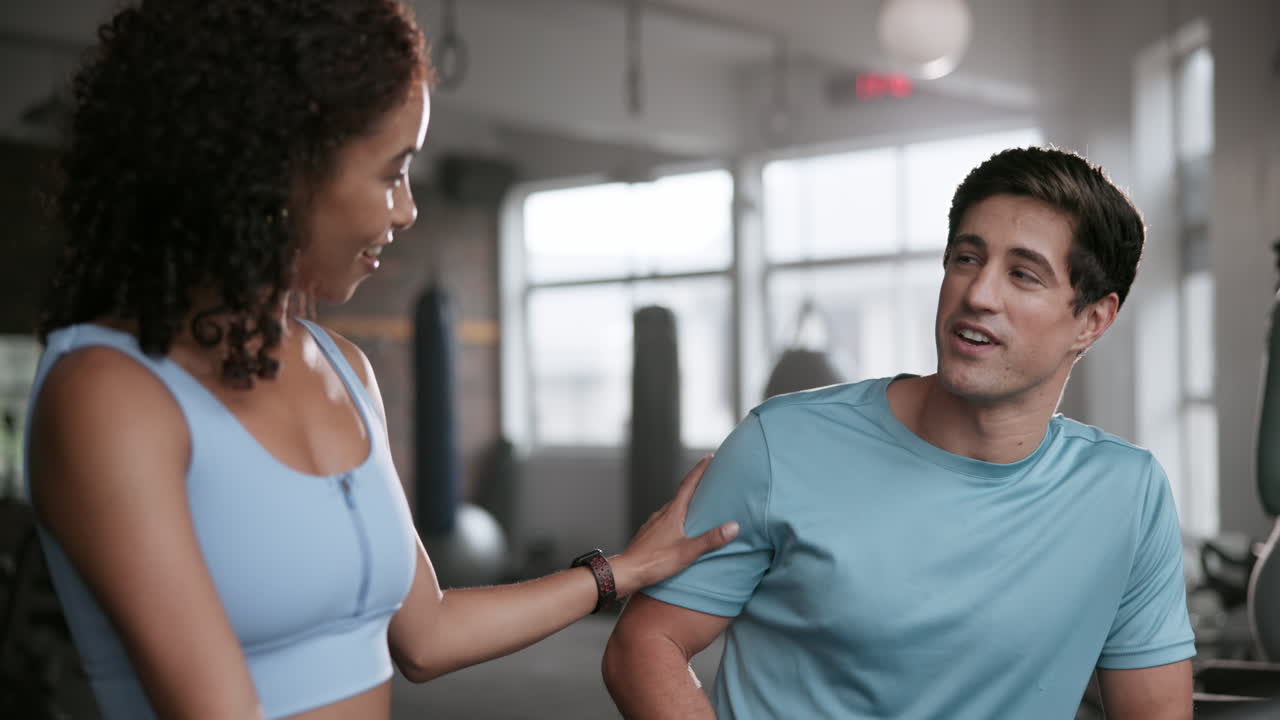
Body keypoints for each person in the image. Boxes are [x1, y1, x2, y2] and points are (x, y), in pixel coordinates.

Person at [24, 1, 739, 719]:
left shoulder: (343, 369)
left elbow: (426, 634)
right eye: (391, 173)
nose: (407, 211)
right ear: (280, 171)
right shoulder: (109, 393)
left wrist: (626, 568)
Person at [604, 147, 1196, 719]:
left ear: (1092, 320)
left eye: (1022, 274)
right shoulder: (782, 444)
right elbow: (643, 646)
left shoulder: (1127, 493)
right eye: (967, 258)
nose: (978, 294)